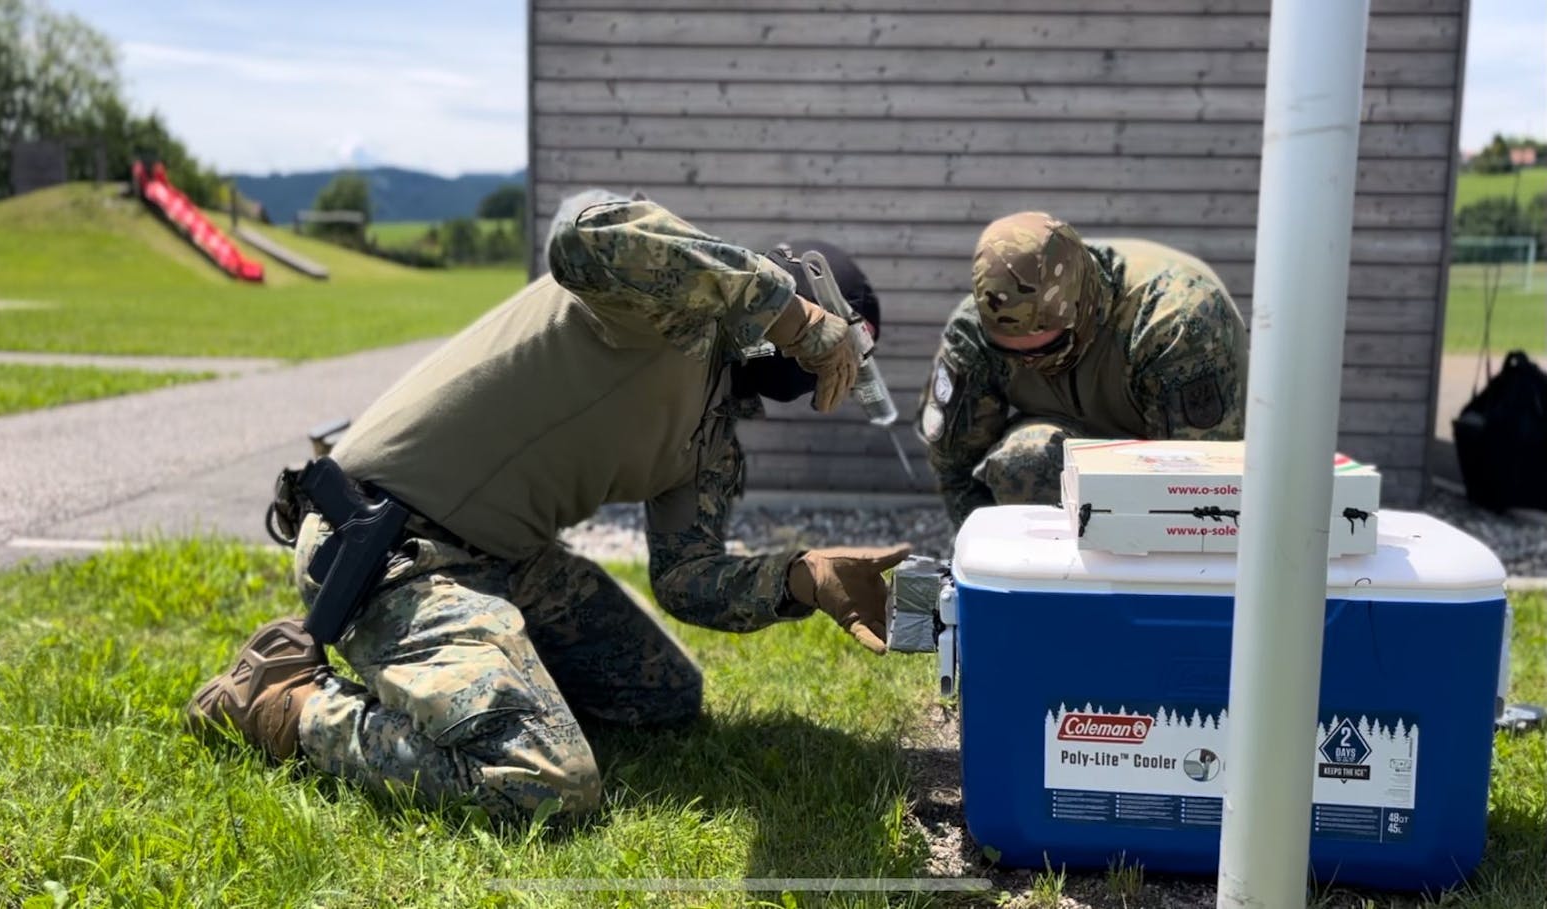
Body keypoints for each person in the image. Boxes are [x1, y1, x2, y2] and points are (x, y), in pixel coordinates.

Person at [184, 190, 910, 821]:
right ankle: (290, 703)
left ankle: (488, 681)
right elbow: (582, 236)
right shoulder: (666, 299)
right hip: (390, 544)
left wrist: (802, 577)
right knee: (544, 781)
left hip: (501, 559)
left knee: (662, 693)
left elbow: (688, 576)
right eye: (835, 350)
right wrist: (786, 312)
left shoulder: (713, 432)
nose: (827, 373)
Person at [917, 211, 1250, 528]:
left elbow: (1203, 480)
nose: (1029, 364)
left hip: (1172, 459)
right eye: (1010, 352)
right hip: (1075, 450)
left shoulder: (1176, 320)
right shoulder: (972, 334)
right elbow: (954, 468)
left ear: (1082, 307)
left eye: (1046, 349)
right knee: (1025, 459)